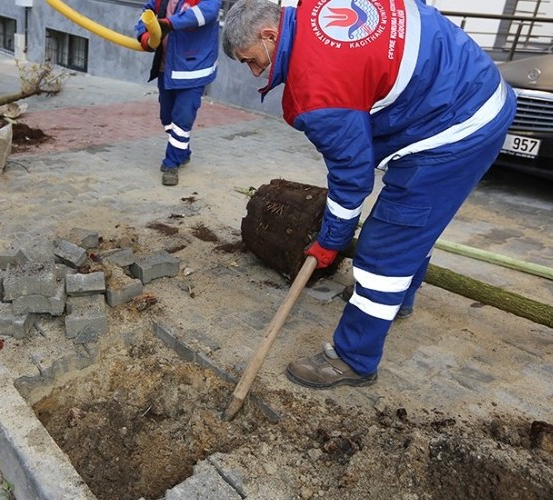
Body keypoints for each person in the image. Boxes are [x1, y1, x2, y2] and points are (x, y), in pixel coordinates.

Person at [221, 0, 515, 388]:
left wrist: (331, 242)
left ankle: (353, 359)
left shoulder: (317, 88)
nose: (255, 71)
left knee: (386, 243)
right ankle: (398, 300)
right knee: (416, 226)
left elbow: (352, 178)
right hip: (469, 87)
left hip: (455, 128)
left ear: (270, 34)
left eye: (251, 60)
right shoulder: (319, 8)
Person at [135, 0, 220, 186]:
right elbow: (148, 10)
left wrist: (170, 23)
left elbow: (207, 11)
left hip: (194, 70)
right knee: (167, 117)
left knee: (182, 118)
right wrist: (143, 34)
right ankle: (183, 151)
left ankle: (171, 164)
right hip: (167, 69)